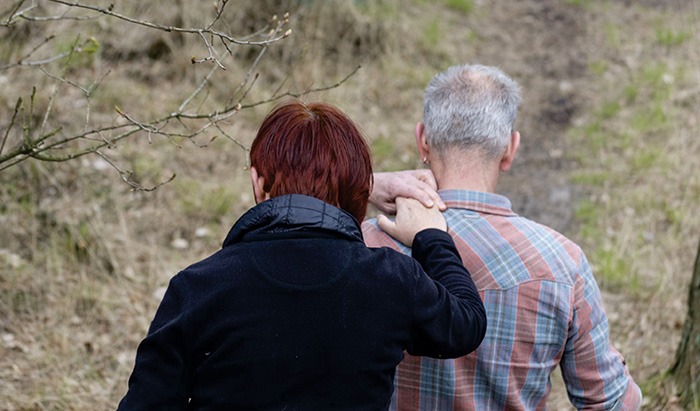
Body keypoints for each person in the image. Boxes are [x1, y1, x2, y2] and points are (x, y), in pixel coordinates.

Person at [117, 100, 487, 410]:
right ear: (360, 190)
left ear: (257, 181)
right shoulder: (390, 280)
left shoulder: (200, 287)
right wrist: (431, 236)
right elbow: (466, 325)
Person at [363, 64, 642, 410]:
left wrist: (366, 185)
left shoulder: (363, 246)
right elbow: (612, 403)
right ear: (510, 148)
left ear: (422, 140)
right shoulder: (562, 264)